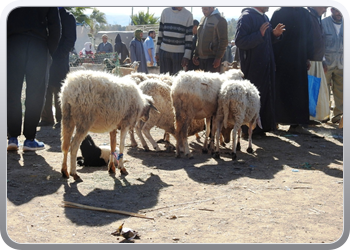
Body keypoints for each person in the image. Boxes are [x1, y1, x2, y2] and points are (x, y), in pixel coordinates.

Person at [7, 7, 61, 151]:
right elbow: (55, 26)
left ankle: (12, 137)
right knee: (36, 93)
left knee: (11, 92)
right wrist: (49, 50)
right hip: (38, 44)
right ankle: (30, 139)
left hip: (12, 43)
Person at [235, 7, 285, 135]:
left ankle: (264, 127)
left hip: (266, 67)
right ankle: (250, 130)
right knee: (253, 99)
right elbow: (239, 41)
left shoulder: (264, 17)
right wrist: (259, 35)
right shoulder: (246, 17)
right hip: (253, 68)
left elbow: (266, 41)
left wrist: (273, 35)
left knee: (265, 97)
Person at [270, 7, 314, 134]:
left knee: (298, 91)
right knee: (280, 90)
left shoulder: (305, 14)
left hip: (299, 59)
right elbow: (272, 37)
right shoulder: (279, 13)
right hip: (281, 59)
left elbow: (309, 36)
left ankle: (296, 123)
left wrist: (308, 57)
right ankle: (275, 121)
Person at [39, 7, 77, 129]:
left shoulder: (68, 17)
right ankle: (46, 118)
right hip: (45, 56)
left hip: (60, 59)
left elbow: (70, 39)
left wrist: (60, 54)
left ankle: (62, 119)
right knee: (45, 87)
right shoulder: (45, 13)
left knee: (60, 89)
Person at [307, 7, 330, 124]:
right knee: (310, 90)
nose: (325, 10)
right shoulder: (307, 16)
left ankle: (312, 117)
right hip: (310, 62)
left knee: (315, 90)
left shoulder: (317, 17)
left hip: (318, 61)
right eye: (324, 7)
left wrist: (323, 60)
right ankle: (307, 118)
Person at [155, 7, 193, 75]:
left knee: (177, 81)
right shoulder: (165, 12)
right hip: (164, 52)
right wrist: (157, 51)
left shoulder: (188, 15)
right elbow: (160, 33)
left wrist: (186, 56)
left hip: (179, 54)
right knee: (164, 79)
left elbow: (189, 38)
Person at [322, 7, 343, 124]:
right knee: (324, 90)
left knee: (341, 91)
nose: (338, 13)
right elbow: (320, 43)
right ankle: (324, 115)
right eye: (336, 10)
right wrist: (323, 60)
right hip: (327, 63)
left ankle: (338, 115)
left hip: (342, 64)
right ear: (332, 10)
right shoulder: (324, 23)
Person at [193, 7, 228, 73]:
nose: (203, 11)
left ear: (211, 8)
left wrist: (218, 58)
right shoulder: (202, 19)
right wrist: (195, 54)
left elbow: (223, 41)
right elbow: (199, 38)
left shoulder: (220, 20)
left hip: (212, 59)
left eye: (205, 9)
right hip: (201, 59)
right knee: (201, 82)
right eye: (202, 9)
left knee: (211, 82)